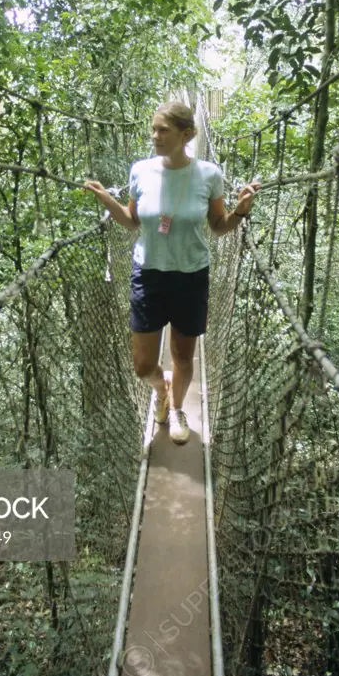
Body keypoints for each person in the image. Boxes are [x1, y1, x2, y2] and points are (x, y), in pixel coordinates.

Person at [84, 101, 260, 445]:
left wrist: (239, 212)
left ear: (187, 135)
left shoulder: (209, 174)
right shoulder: (141, 170)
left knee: (182, 354)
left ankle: (177, 408)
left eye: (163, 130)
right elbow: (132, 222)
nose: (155, 136)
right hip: (148, 273)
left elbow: (218, 226)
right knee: (142, 365)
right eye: (153, 129)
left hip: (191, 276)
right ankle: (160, 388)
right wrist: (107, 200)